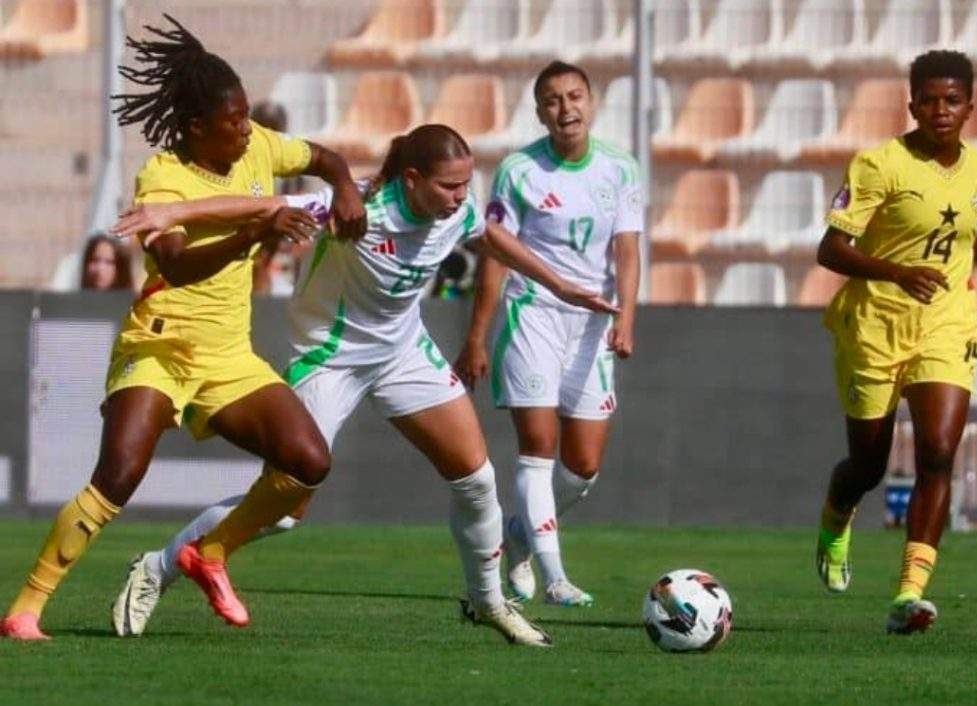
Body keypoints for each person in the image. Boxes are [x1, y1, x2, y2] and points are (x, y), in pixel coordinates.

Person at [107, 123, 619, 646]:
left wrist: (560, 285)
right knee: (286, 509)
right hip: (331, 358)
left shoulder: (457, 209)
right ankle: (157, 567)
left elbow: (487, 235)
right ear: (412, 179)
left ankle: (489, 602)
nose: (461, 196)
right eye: (449, 186)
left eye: (466, 185)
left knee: (477, 479)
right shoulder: (358, 208)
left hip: (402, 352)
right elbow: (260, 207)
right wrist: (173, 212)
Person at [0, 15, 366, 641]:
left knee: (308, 461)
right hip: (160, 346)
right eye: (233, 120)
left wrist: (346, 187)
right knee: (118, 476)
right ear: (197, 127)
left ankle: (210, 551)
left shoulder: (258, 146)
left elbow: (326, 158)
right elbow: (173, 262)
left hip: (228, 356)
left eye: (246, 115)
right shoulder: (163, 177)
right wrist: (252, 233)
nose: (246, 128)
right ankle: (26, 609)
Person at [813, 50, 977, 634]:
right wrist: (897, 272)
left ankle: (909, 594)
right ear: (912, 106)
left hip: (947, 323)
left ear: (971, 107)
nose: (940, 110)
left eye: (952, 100)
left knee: (938, 453)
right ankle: (837, 514)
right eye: (929, 100)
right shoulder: (879, 165)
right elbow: (830, 249)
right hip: (875, 325)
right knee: (868, 465)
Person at [454, 61, 643, 608]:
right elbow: (496, 256)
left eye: (575, 96)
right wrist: (477, 336)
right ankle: (555, 574)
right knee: (538, 449)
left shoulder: (621, 168)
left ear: (591, 103)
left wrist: (626, 318)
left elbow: (628, 251)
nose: (566, 109)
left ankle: (519, 535)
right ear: (540, 112)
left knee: (582, 468)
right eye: (553, 100)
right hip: (532, 314)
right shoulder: (518, 171)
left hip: (592, 321)